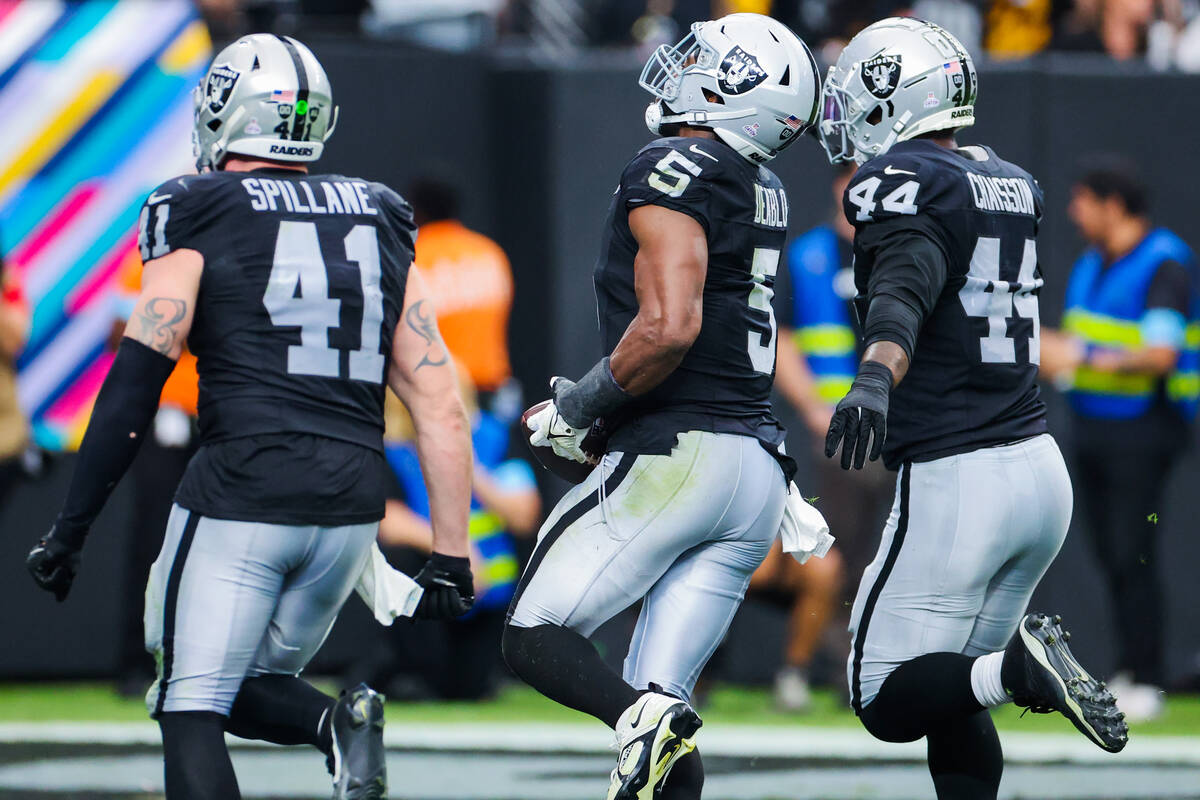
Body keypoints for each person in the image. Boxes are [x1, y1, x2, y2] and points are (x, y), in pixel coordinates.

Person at [25, 34, 474, 800]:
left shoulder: (193, 205)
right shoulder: (380, 213)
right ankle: (336, 727)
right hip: (349, 508)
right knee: (244, 681)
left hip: (245, 489)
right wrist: (451, 552)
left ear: (228, 112)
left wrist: (70, 529)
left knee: (187, 703)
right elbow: (439, 400)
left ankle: (335, 726)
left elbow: (136, 382)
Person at [502, 13, 823, 800]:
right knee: (662, 719)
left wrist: (580, 408)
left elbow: (670, 327)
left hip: (683, 455)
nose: (679, 69)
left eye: (702, 62)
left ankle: (633, 717)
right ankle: (642, 722)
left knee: (533, 635)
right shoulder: (764, 183)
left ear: (734, 91)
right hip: (755, 474)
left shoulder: (675, 165)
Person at [818, 17, 1127, 800]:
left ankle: (1024, 668)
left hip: (960, 477)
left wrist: (875, 378)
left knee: (885, 694)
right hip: (1034, 468)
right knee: (958, 686)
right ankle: (1010, 672)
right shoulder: (1007, 179)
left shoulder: (899, 184)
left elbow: (904, 290)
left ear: (897, 97)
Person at [1053, 160, 1197, 721]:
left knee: (1133, 550)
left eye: (1082, 200)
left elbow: (1159, 355)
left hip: (1144, 428)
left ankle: (1148, 675)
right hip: (1093, 427)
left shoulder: (1165, 264)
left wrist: (1080, 356)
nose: (1074, 212)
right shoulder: (1092, 264)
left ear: (1113, 205)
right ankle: (1129, 667)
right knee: (1109, 552)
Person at [360, 376, 540, 700]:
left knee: (469, 690)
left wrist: (465, 465)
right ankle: (410, 672)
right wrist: (458, 549)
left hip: (488, 599)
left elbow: (524, 517)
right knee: (400, 558)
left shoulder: (494, 438)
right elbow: (388, 523)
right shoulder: (394, 448)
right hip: (434, 591)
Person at [111, 261, 201, 697]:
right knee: (154, 538)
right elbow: (120, 337)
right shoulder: (146, 269)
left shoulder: (231, 255)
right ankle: (137, 658)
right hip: (167, 415)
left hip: (223, 416)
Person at [408, 176, 514, 398]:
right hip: (492, 390)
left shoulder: (414, 258)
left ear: (416, 210)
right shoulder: (488, 252)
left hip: (440, 390)